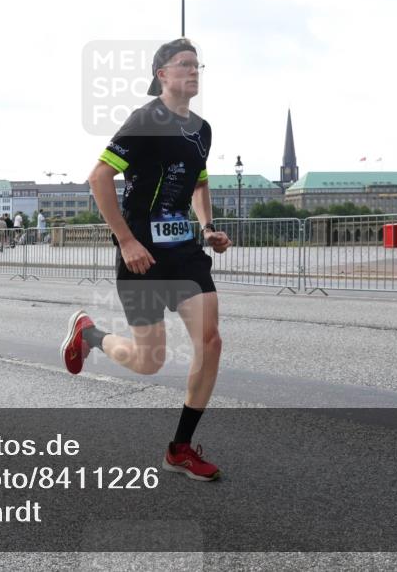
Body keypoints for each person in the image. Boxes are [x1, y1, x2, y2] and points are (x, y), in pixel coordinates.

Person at [59, 38, 231, 481]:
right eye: (184, 65)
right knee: (148, 361)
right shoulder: (143, 121)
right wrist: (127, 241)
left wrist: (208, 227)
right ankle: (90, 334)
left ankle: (180, 448)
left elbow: (198, 183)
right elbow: (99, 177)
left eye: (198, 65)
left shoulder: (202, 129)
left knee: (210, 341)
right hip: (143, 258)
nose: (193, 72)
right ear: (162, 75)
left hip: (185, 255)